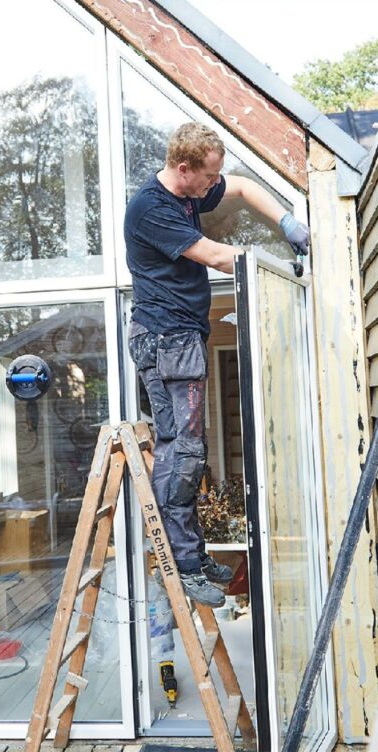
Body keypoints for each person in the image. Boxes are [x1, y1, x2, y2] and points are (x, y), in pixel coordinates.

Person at [125, 122, 310, 606]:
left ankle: (192, 554)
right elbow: (213, 255)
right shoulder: (151, 208)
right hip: (167, 339)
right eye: (208, 177)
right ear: (183, 169)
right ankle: (184, 563)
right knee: (182, 453)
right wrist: (274, 261)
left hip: (177, 337)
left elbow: (245, 187)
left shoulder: (189, 193)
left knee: (182, 449)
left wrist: (287, 221)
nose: (214, 185)